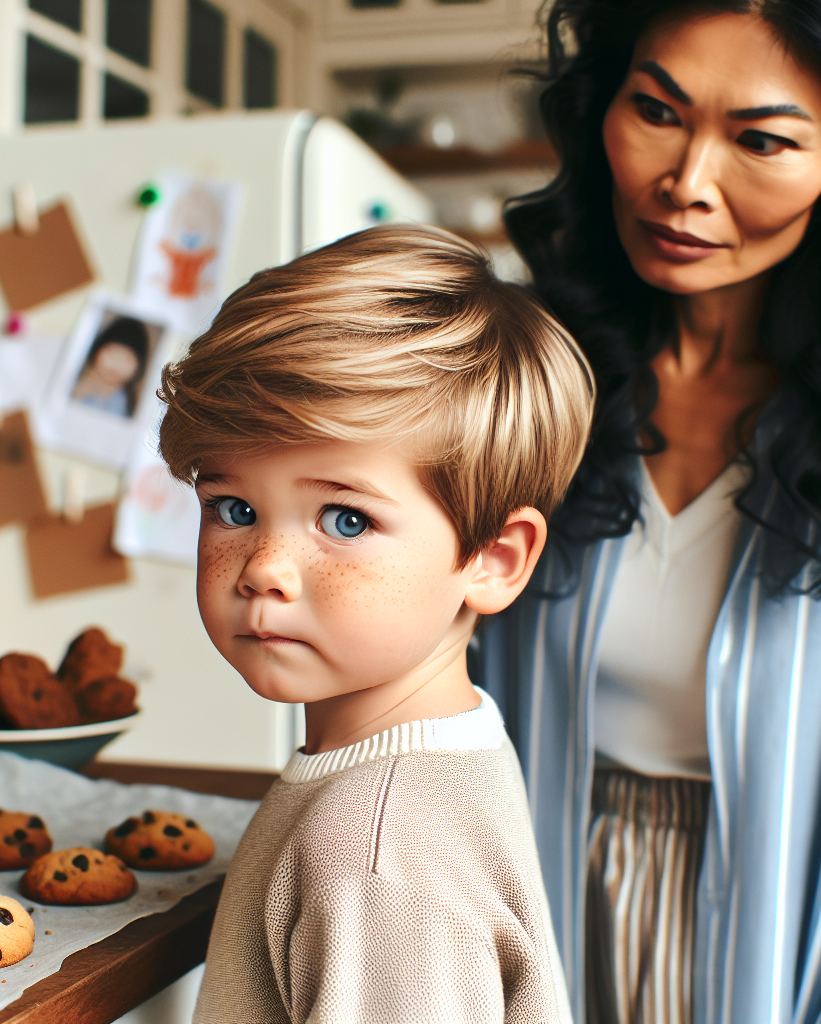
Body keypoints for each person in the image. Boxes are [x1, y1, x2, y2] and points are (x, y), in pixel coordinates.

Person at [474, 0, 821, 1022]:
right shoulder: (531, 381)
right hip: (521, 914)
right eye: (656, 111)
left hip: (791, 949)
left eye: (761, 139)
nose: (684, 184)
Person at [156, 224, 595, 1023]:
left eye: (345, 521)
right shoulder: (439, 759)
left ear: (494, 559)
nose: (263, 567)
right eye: (235, 508)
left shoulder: (373, 851)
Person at [71, 315, 149, 417]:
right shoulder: (75, 383)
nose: (116, 364)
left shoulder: (131, 404)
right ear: (96, 351)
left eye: (127, 359)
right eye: (111, 353)